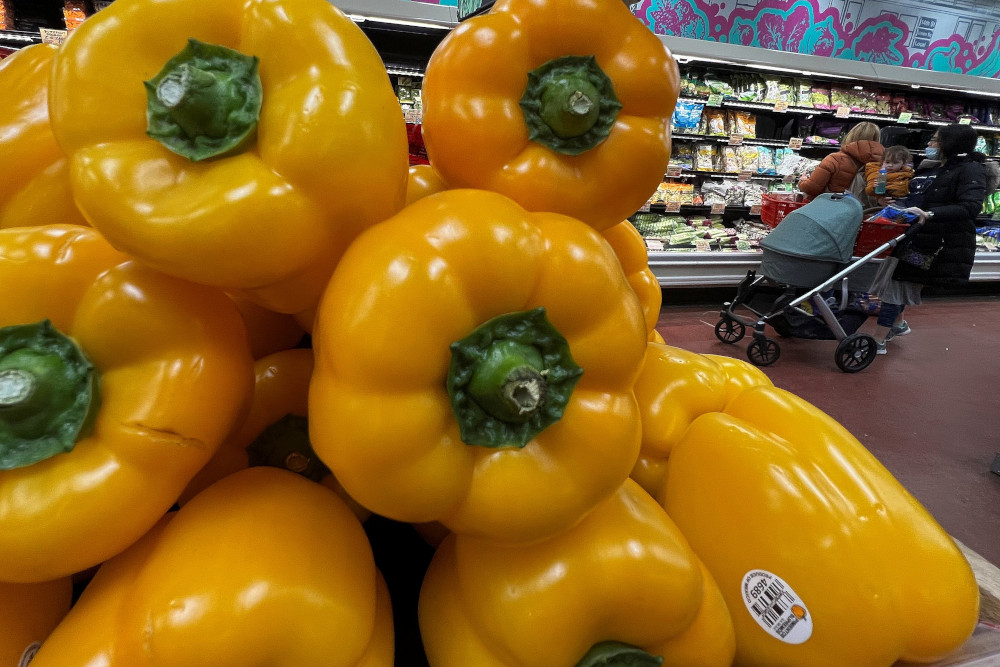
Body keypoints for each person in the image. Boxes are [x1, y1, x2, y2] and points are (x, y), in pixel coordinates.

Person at [870, 124, 989, 354]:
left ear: (949, 144)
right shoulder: (932, 168)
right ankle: (898, 324)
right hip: (916, 236)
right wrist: (894, 204)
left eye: (934, 140)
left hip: (937, 243)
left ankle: (878, 339)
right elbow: (920, 199)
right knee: (900, 278)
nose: (929, 145)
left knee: (899, 282)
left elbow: (970, 206)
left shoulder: (970, 170)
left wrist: (931, 214)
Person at [798, 121, 883, 204]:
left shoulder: (835, 159)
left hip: (832, 208)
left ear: (851, 136)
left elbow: (812, 188)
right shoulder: (884, 164)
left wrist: (802, 181)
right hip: (863, 213)